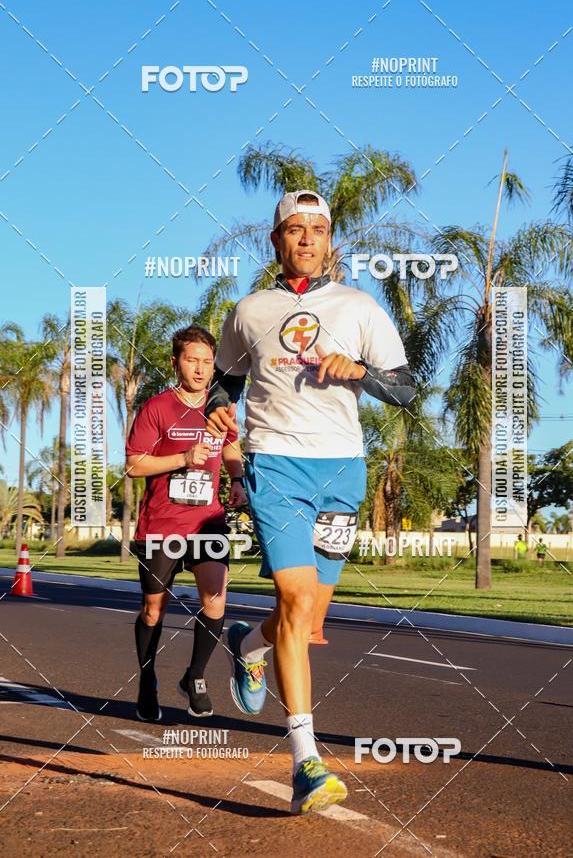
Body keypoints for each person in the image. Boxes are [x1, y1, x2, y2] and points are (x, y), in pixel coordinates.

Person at [205, 190, 416, 814]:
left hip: (342, 471)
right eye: (293, 229)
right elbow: (226, 378)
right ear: (275, 241)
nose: (305, 238)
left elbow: (404, 389)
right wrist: (220, 407)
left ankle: (249, 647)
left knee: (309, 618)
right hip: (275, 465)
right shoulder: (249, 310)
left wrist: (361, 373)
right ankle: (306, 761)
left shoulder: (358, 306)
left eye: (316, 229)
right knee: (295, 600)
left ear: (330, 240)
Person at [125, 325, 246, 722]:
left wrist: (237, 481)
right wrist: (182, 459)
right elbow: (134, 465)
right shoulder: (157, 408)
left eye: (207, 362)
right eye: (191, 360)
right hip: (162, 524)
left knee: (216, 600)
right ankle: (147, 680)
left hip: (207, 522)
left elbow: (230, 447)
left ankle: (194, 677)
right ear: (176, 362)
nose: (199, 369)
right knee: (152, 611)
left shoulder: (221, 410)